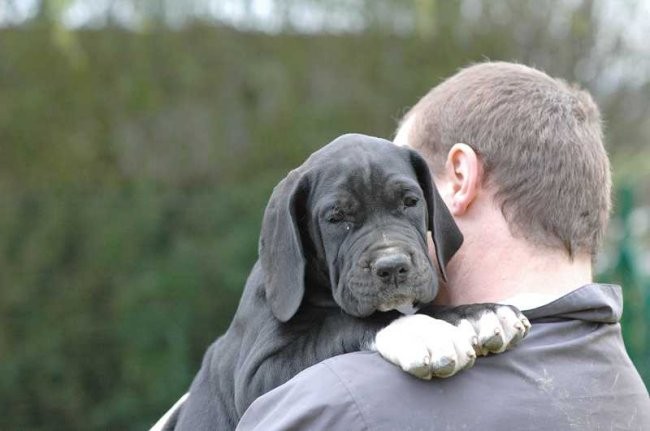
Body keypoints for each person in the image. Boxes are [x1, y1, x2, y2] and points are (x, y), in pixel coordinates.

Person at [235, 62, 650, 430]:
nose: (388, 247)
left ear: (459, 177)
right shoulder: (630, 396)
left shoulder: (337, 404)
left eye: (408, 201)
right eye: (342, 218)